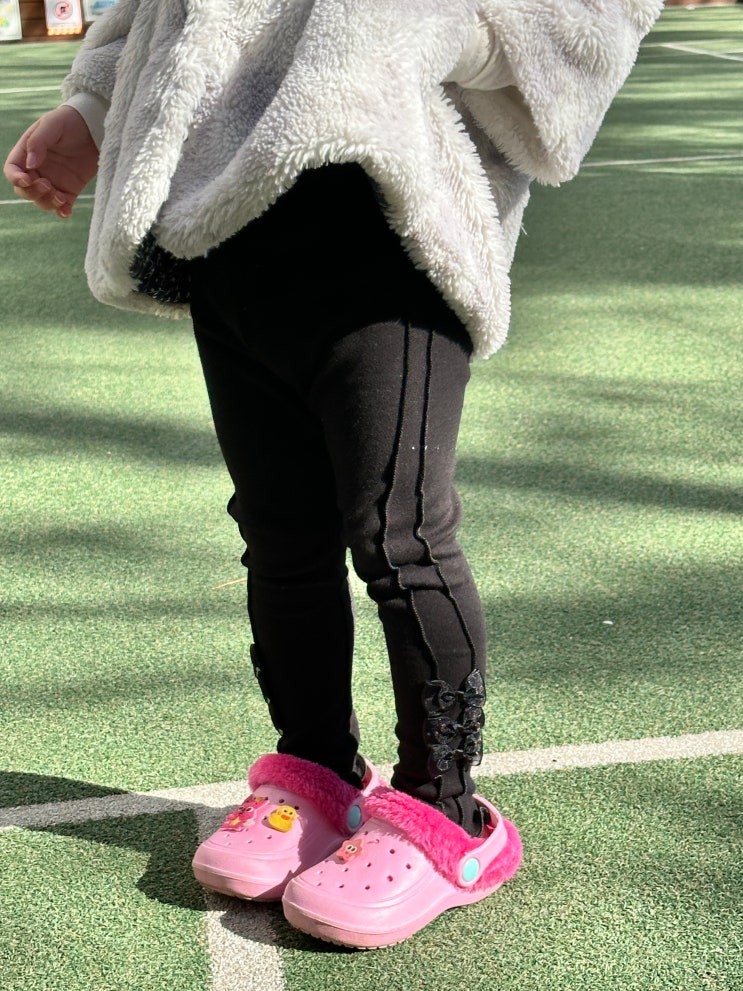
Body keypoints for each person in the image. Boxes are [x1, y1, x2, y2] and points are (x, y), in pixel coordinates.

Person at [4, 0, 662, 949]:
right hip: (224, 227)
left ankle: (446, 813)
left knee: (400, 537)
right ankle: (316, 771)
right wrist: (96, 107)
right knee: (277, 531)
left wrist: (448, 25)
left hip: (391, 225)